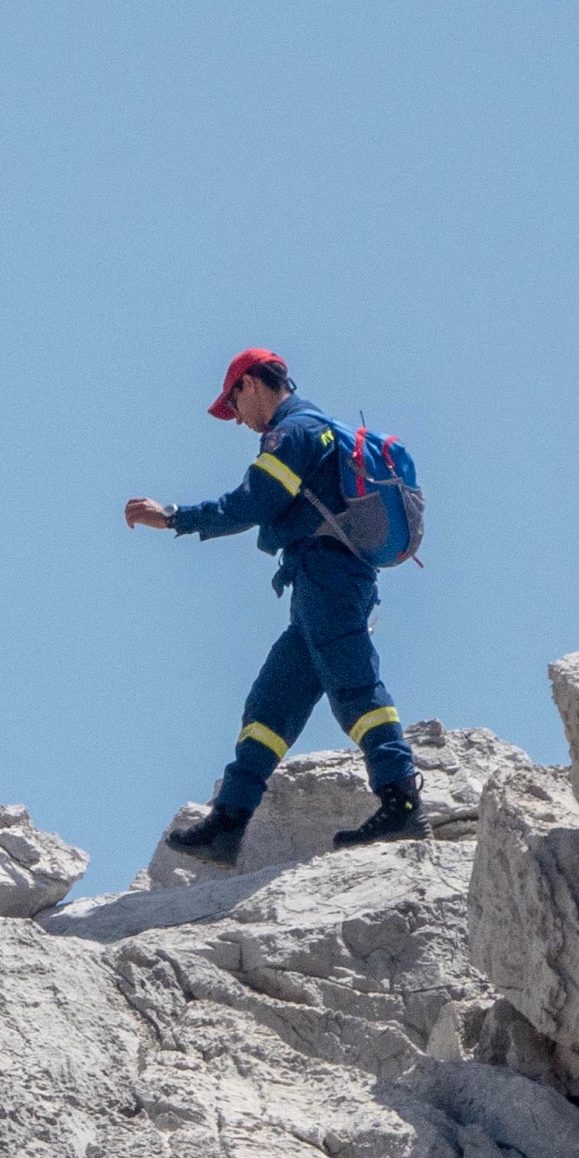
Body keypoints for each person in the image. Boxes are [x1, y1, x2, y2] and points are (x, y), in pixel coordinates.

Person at [122, 347, 422, 864]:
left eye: (232, 404)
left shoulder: (295, 432)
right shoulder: (312, 430)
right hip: (318, 579)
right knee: (272, 702)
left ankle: (401, 800)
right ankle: (229, 822)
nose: (235, 419)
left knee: (355, 687)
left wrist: (174, 517)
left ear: (251, 385)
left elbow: (252, 503)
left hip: (329, 577)